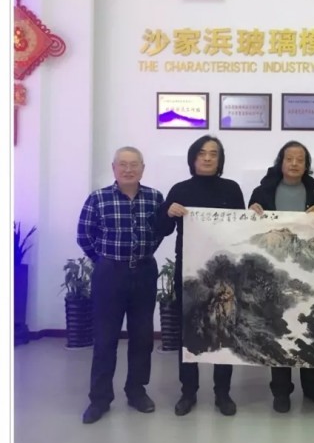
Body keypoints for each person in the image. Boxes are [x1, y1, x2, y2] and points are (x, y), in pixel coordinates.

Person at [156, 135, 245, 417]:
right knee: (189, 331)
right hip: (189, 272)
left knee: (224, 330)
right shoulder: (180, 189)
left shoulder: (232, 189)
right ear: (193, 158)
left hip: (223, 272)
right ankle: (188, 392)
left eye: (213, 154)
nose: (207, 158)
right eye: (202, 153)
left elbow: (241, 229)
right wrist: (167, 212)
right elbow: (162, 229)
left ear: (220, 159)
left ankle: (223, 393)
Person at [77, 147, 164, 424]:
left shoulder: (155, 198)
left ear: (142, 168)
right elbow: (84, 235)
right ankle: (100, 399)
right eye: (123, 164)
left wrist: (142, 255)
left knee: (142, 337)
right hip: (110, 274)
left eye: (134, 164)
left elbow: (159, 232)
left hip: (144, 272)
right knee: (105, 339)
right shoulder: (98, 198)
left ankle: (136, 391)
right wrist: (104, 260)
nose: (128, 169)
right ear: (114, 168)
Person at [248, 140, 314, 413]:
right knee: (279, 329)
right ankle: (281, 391)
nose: (294, 163)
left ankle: (313, 387)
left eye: (300, 159)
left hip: (309, 270)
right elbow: (249, 229)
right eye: (289, 158)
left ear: (307, 165)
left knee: (310, 327)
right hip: (274, 270)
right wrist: (251, 213)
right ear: (280, 162)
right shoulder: (262, 190)